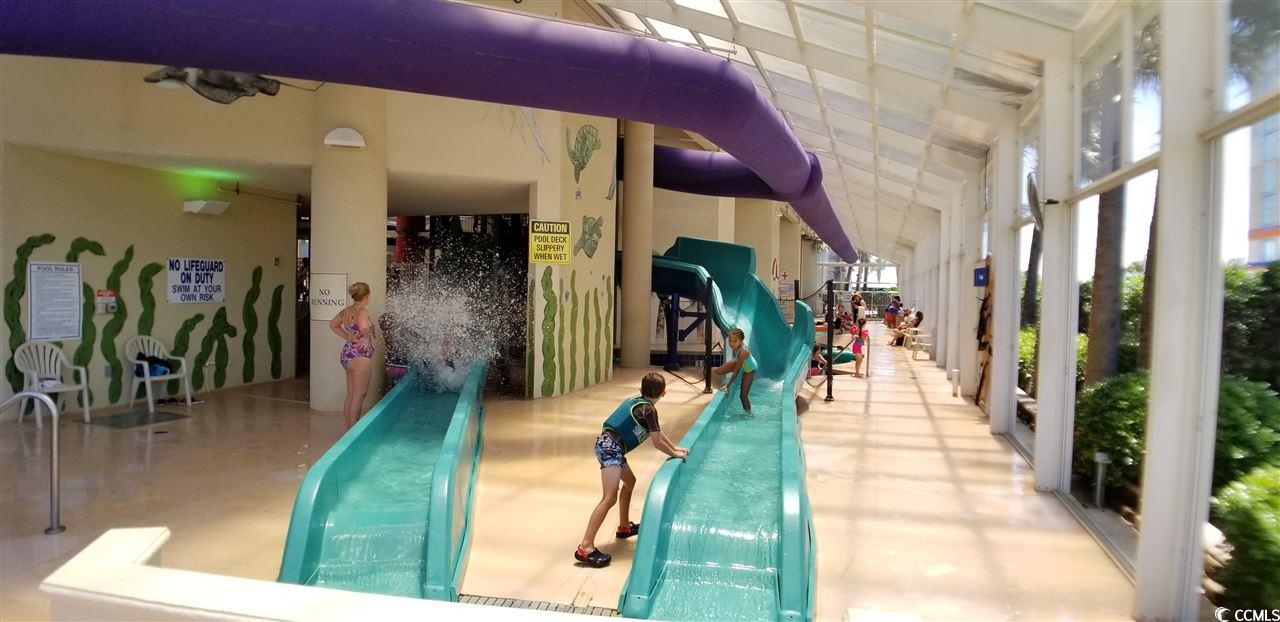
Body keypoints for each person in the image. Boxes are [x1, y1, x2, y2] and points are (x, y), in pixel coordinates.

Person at [575, 373, 687, 568]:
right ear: (664, 392)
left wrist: (675, 447)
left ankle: (624, 526)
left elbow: (658, 433)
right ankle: (586, 547)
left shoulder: (637, 402)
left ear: (641, 390)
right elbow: (657, 442)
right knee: (609, 498)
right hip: (611, 449)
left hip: (609, 445)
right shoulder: (649, 410)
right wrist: (675, 454)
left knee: (630, 482)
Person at [330, 282, 375, 430]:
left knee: (351, 395)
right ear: (366, 295)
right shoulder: (363, 311)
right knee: (359, 395)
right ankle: (354, 432)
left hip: (348, 353)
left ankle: (348, 429)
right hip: (360, 357)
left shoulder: (346, 311)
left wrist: (347, 336)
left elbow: (333, 324)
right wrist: (367, 336)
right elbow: (363, 327)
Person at [713, 327, 757, 411]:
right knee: (717, 371)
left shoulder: (743, 352)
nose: (732, 343)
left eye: (735, 341)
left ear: (741, 341)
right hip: (740, 361)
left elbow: (736, 371)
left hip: (749, 370)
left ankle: (748, 414)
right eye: (730, 340)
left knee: (743, 396)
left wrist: (727, 385)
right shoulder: (736, 347)